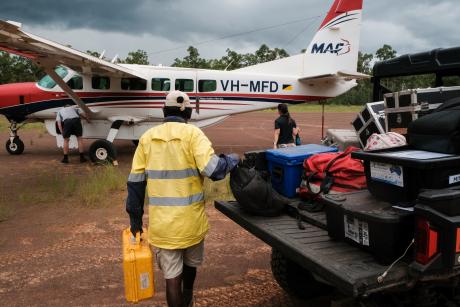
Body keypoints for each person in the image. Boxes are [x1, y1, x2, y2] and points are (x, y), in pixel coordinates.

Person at [126, 90, 239, 307]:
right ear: (188, 111)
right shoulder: (194, 134)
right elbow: (214, 170)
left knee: (171, 278)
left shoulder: (147, 138)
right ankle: (188, 297)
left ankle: (183, 298)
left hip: (163, 226)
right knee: (190, 265)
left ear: (163, 111)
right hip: (191, 223)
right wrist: (232, 159)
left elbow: (135, 185)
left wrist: (135, 222)